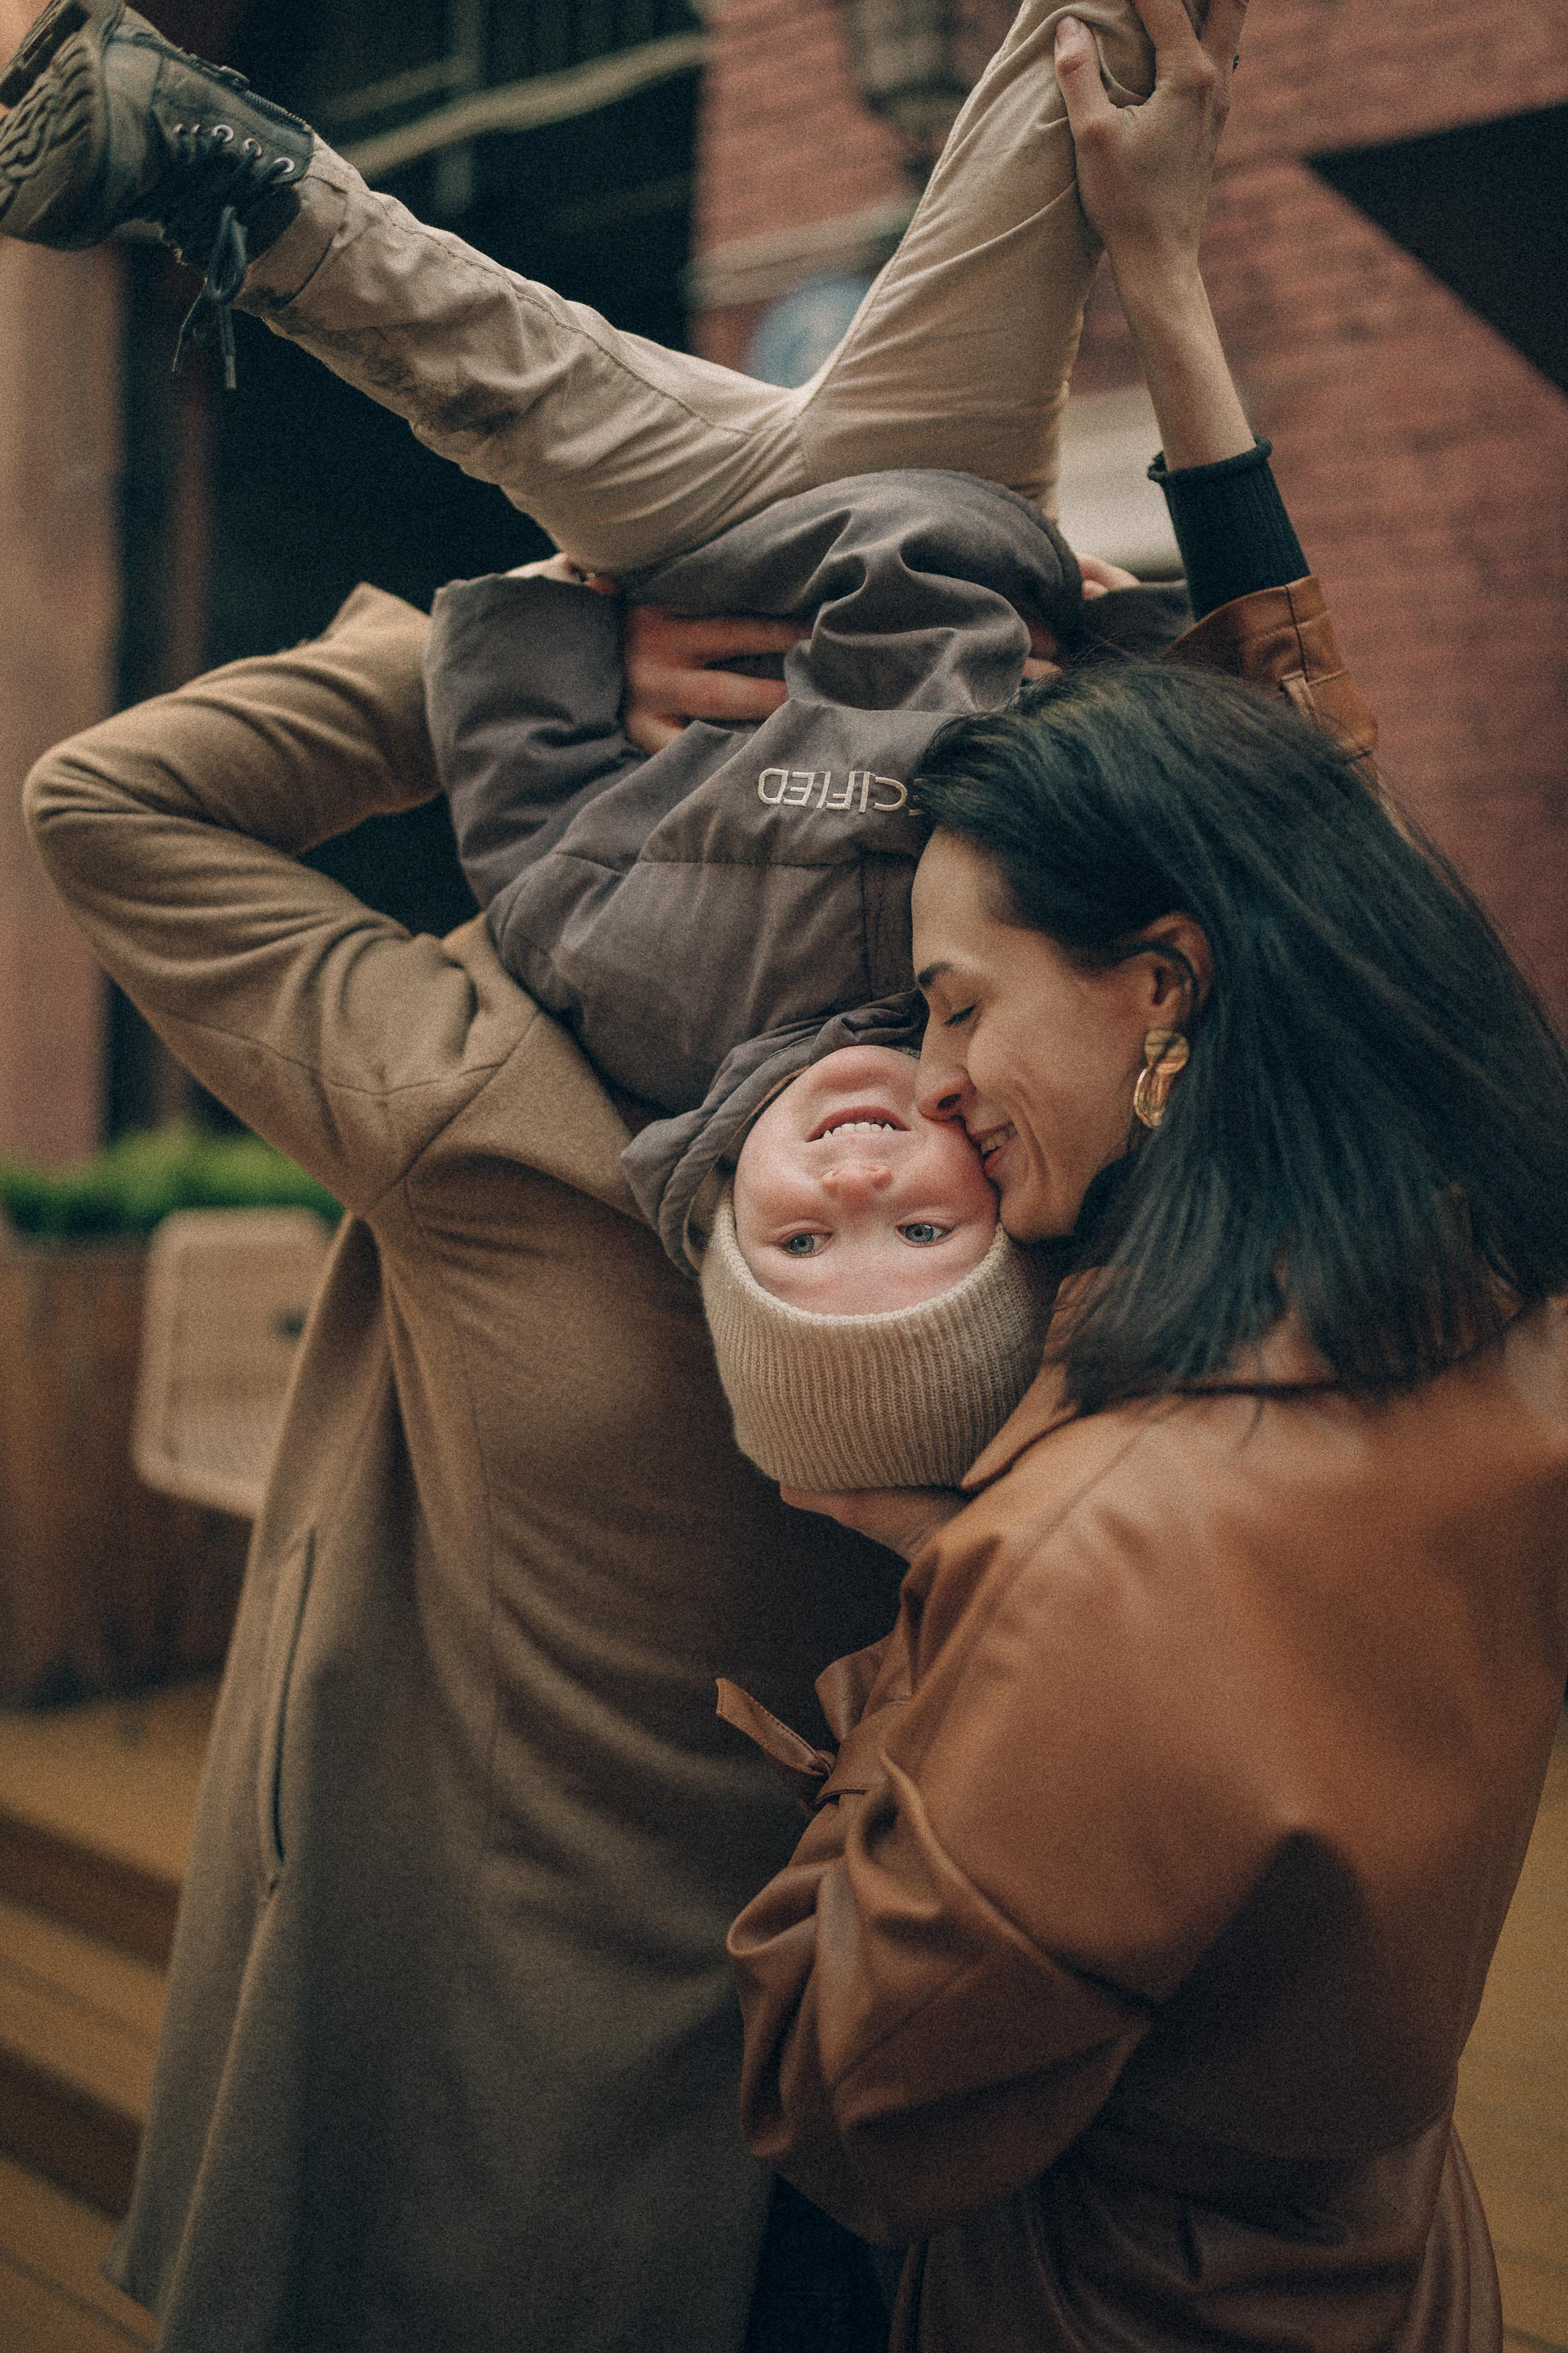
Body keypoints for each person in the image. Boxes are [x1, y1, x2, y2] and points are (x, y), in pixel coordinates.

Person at [722, 9, 1568, 2346]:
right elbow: (1319, 803)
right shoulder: (1476, 1267)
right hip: (1388, 2259)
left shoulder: (1095, 1555)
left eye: (963, 999)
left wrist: (929, 1614)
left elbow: (830, 2084)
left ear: (1168, 989)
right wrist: (1163, 284)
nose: (930, 1067)